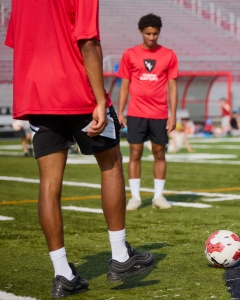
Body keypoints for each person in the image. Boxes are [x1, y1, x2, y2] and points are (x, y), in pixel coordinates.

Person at [5, 1, 155, 298]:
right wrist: (100, 99)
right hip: (77, 90)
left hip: (36, 94)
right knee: (110, 163)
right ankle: (120, 256)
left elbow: (19, 42)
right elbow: (88, 41)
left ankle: (62, 273)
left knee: (49, 184)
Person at [117, 13, 178, 211]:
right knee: (135, 153)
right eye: (148, 33)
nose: (152, 37)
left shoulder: (169, 55)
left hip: (160, 114)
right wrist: (120, 111)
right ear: (141, 32)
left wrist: (173, 114)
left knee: (159, 154)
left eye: (155, 34)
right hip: (136, 113)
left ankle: (158, 196)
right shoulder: (129, 54)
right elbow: (124, 85)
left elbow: (173, 87)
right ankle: (135, 197)